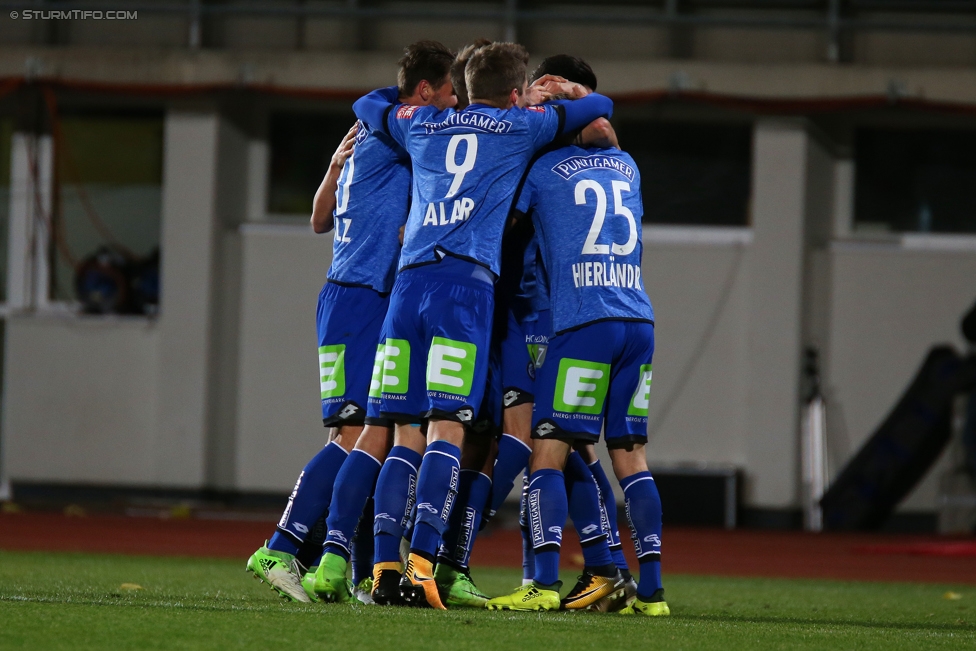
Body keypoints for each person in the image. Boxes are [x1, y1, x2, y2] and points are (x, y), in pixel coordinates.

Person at [351, 42, 613, 609]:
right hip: (466, 291)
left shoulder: (422, 122)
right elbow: (603, 108)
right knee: (451, 428)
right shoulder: (524, 127)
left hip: (407, 288)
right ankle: (427, 564)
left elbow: (368, 103)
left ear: (466, 87)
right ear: (518, 91)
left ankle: (383, 570)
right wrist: (565, 94)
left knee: (401, 430)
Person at [246, 40, 457, 605]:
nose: (455, 103)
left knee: (375, 433)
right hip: (360, 298)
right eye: (450, 91)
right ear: (425, 92)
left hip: (353, 295)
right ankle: (282, 546)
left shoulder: (366, 133)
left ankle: (359, 567)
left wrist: (338, 165)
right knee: (357, 433)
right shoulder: (396, 127)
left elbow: (319, 219)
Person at [485, 80, 669, 616]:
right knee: (631, 456)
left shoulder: (542, 174)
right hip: (639, 323)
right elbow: (602, 126)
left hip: (582, 325)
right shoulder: (627, 165)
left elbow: (504, 228)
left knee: (549, 450)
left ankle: (540, 582)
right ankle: (651, 593)